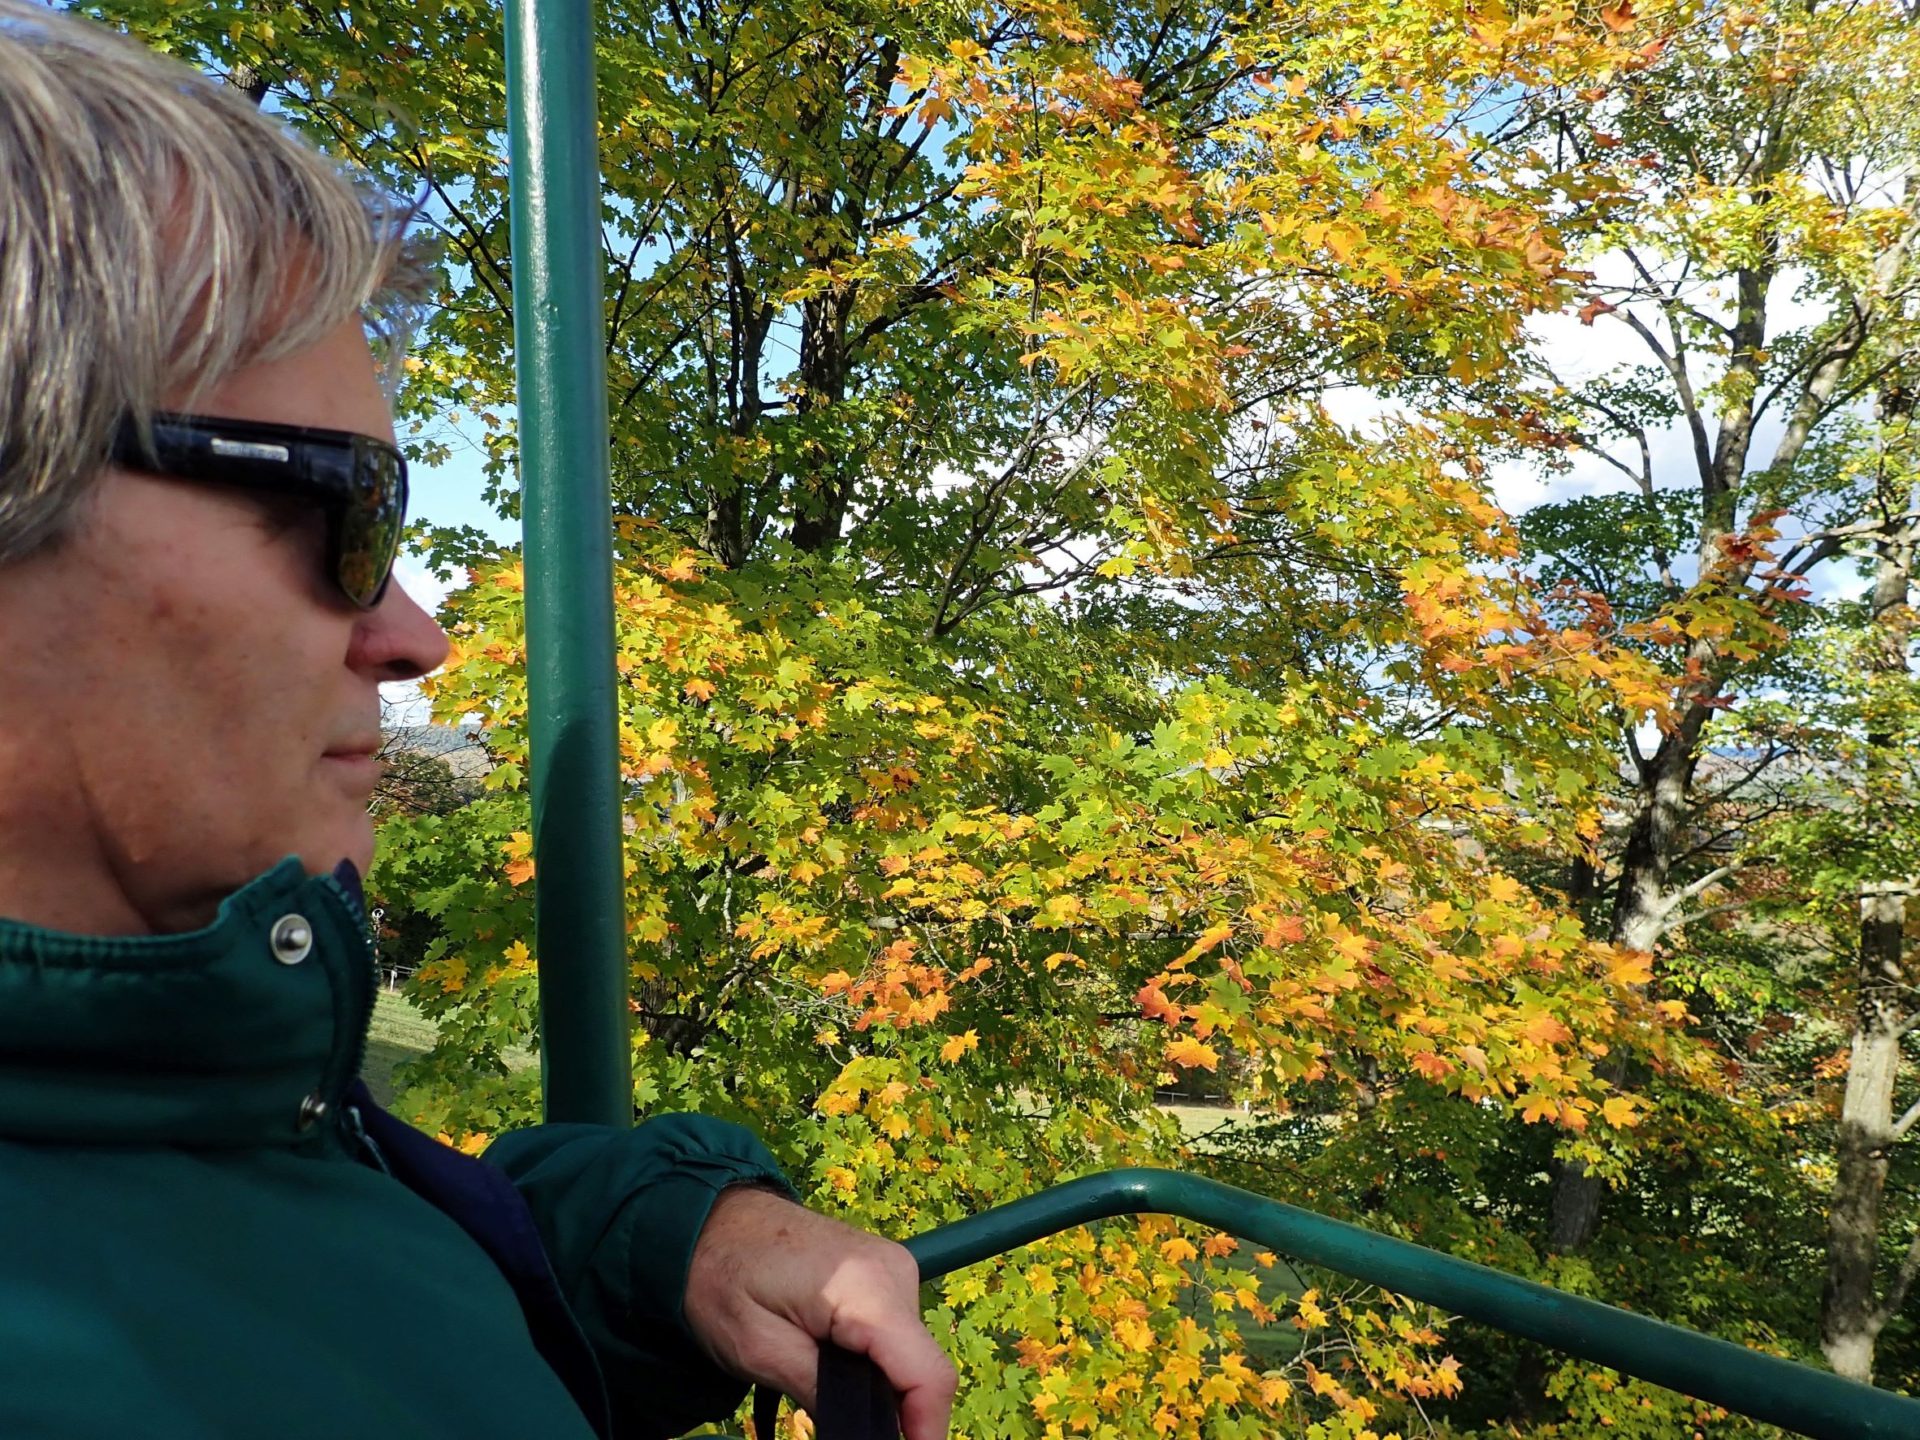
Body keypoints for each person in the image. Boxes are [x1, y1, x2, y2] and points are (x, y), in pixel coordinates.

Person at [0, 5, 955, 1438]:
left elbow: (291, 1256)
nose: (414, 638)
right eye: (349, 512)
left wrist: (673, 1245)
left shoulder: (183, 1086)